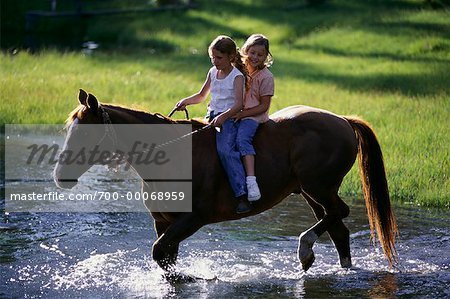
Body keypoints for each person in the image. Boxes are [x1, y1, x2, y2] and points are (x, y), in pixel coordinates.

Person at [174, 35, 252, 213]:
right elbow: (202, 96)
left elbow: (239, 104)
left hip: (229, 119)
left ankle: (241, 194)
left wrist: (224, 117)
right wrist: (185, 101)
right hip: (211, 116)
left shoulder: (237, 76)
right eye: (212, 57)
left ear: (231, 57)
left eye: (219, 58)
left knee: (226, 151)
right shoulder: (212, 72)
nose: (215, 61)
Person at [235, 34, 274, 203]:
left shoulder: (266, 77)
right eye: (252, 53)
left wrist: (243, 114)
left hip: (254, 116)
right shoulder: (239, 69)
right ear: (246, 51)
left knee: (242, 139)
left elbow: (264, 106)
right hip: (236, 111)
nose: (255, 57)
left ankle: (251, 181)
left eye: (260, 54)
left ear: (266, 56)